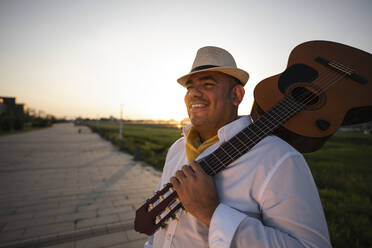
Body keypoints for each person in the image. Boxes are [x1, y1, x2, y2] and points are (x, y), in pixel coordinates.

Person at [144, 46, 331, 248]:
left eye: (207, 84)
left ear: (237, 95)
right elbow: (160, 223)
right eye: (189, 87)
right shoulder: (177, 149)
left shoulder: (278, 158)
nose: (193, 94)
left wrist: (212, 213)